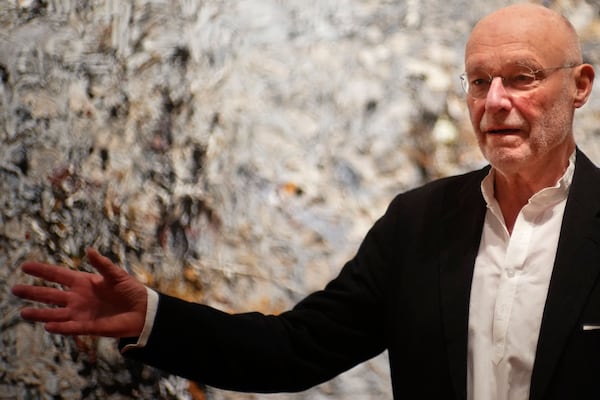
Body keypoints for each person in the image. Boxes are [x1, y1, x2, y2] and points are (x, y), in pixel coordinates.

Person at [11, 3, 600, 399]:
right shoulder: (419, 222)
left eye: (522, 78)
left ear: (579, 87)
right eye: (478, 80)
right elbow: (296, 348)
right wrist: (155, 318)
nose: (493, 101)